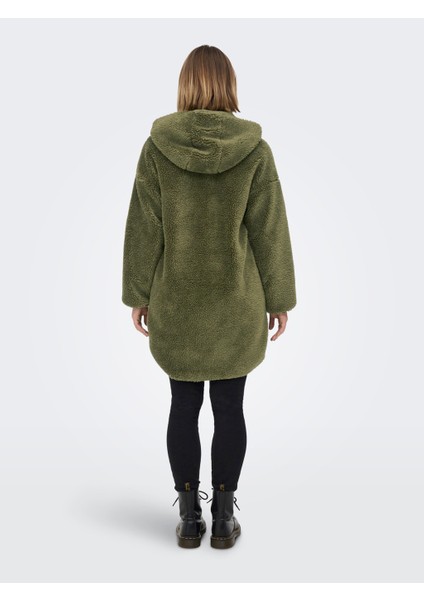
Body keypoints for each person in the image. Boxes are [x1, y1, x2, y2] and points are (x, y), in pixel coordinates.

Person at [122, 45, 297, 549]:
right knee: (229, 407)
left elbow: (144, 227)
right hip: (235, 302)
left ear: (185, 85)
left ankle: (188, 519)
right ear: (229, 85)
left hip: (176, 301)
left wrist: (137, 292)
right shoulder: (255, 151)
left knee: (182, 405)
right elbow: (269, 230)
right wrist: (279, 298)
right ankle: (223, 518)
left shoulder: (157, 148)